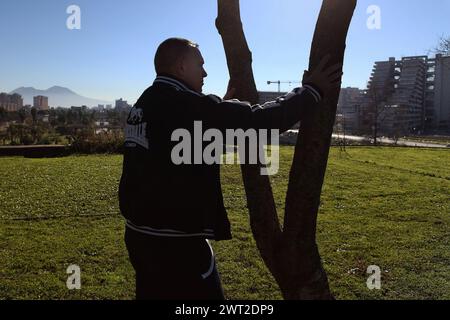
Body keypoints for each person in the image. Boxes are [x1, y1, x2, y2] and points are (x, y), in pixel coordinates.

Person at [118, 37, 342, 300]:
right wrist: (311, 90)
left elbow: (178, 147)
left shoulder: (146, 101)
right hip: (177, 245)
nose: (205, 72)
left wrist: (217, 111)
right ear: (181, 67)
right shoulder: (184, 104)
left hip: (140, 237)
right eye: (200, 64)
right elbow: (260, 121)